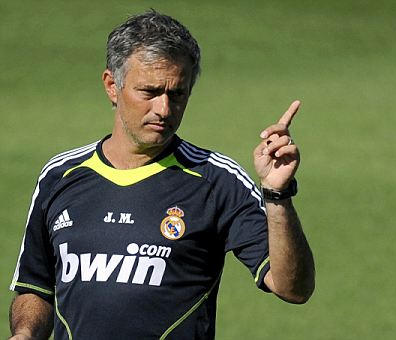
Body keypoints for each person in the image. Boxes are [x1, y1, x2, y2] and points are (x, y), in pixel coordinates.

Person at [9, 9, 315, 340]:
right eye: (150, 92)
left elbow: (293, 288)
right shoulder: (60, 176)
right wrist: (25, 333)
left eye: (177, 93)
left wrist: (277, 195)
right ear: (113, 86)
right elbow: (35, 287)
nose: (164, 110)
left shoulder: (217, 181)